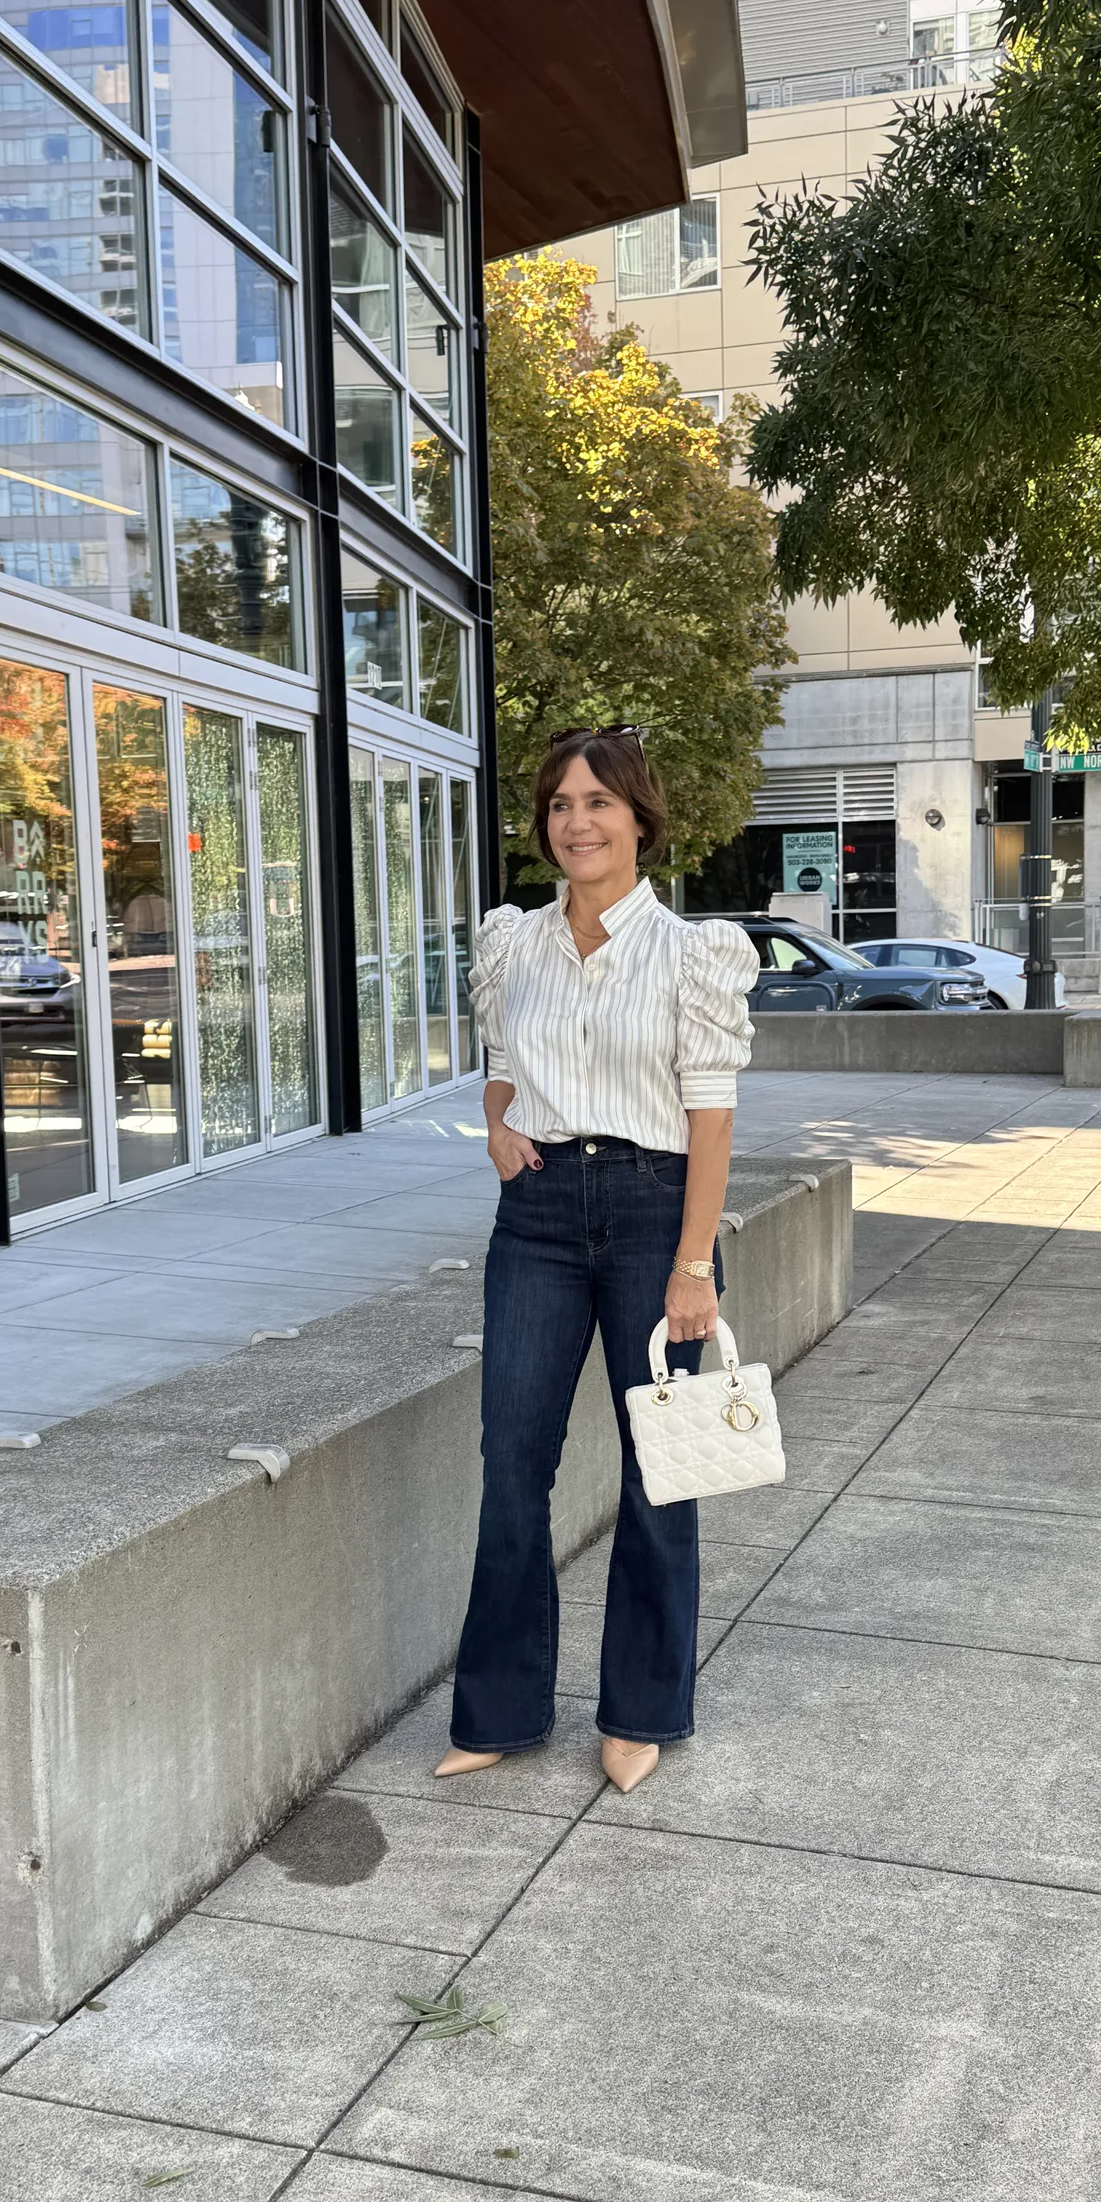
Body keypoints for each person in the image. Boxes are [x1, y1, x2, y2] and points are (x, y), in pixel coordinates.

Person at [435, 724, 759, 1796]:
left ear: (637, 819)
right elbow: (499, 1065)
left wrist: (693, 1263)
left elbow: (709, 1119)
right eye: (559, 804)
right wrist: (495, 1126)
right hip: (534, 1217)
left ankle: (639, 1709)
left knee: (663, 1466)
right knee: (510, 1464)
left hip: (651, 1207)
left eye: (596, 803)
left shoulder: (690, 953)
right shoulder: (512, 942)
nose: (575, 821)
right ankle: (498, 1708)